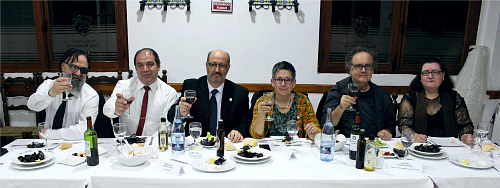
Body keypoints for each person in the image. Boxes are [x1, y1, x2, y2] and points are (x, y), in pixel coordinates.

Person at [167, 49, 250, 142]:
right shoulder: (192, 87)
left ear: (228, 68)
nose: (217, 70)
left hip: (225, 145)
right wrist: (180, 112)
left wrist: (238, 131)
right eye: (213, 65)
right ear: (207, 65)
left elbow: (246, 122)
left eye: (222, 66)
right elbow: (170, 116)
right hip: (197, 145)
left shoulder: (239, 93)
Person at [320, 47, 395, 140]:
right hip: (344, 145)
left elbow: (391, 127)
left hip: (373, 145)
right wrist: (340, 108)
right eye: (359, 66)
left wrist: (386, 132)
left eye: (368, 66)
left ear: (372, 70)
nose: (363, 70)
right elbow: (326, 125)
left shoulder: (382, 95)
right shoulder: (337, 90)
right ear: (350, 69)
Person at [398, 57, 474, 145]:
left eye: (435, 72)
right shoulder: (410, 97)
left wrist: (464, 136)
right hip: (419, 146)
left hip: (448, 147)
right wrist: (413, 136)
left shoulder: (454, 97)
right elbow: (404, 125)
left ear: (443, 75)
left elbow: (465, 125)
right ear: (420, 77)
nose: (430, 76)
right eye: (426, 73)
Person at [103, 48, 178, 136]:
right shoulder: (124, 86)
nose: (145, 69)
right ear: (136, 68)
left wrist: (146, 145)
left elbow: (166, 126)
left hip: (154, 143)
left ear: (159, 66)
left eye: (150, 64)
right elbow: (106, 110)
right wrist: (116, 110)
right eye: (140, 65)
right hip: (128, 144)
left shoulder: (169, 93)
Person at [27, 48, 98, 140]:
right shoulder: (48, 85)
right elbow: (32, 106)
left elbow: (82, 132)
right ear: (63, 66)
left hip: (76, 145)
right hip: (49, 145)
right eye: (74, 67)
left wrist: (49, 134)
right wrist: (50, 94)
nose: (78, 73)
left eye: (83, 70)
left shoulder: (90, 95)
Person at [250, 61, 320, 140]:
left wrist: (313, 133)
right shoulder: (263, 101)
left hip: (296, 147)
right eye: (279, 80)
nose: (283, 84)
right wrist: (262, 114)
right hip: (270, 148)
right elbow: (256, 135)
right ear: (272, 82)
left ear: (294, 83)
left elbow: (315, 129)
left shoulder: (303, 101)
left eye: (287, 80)